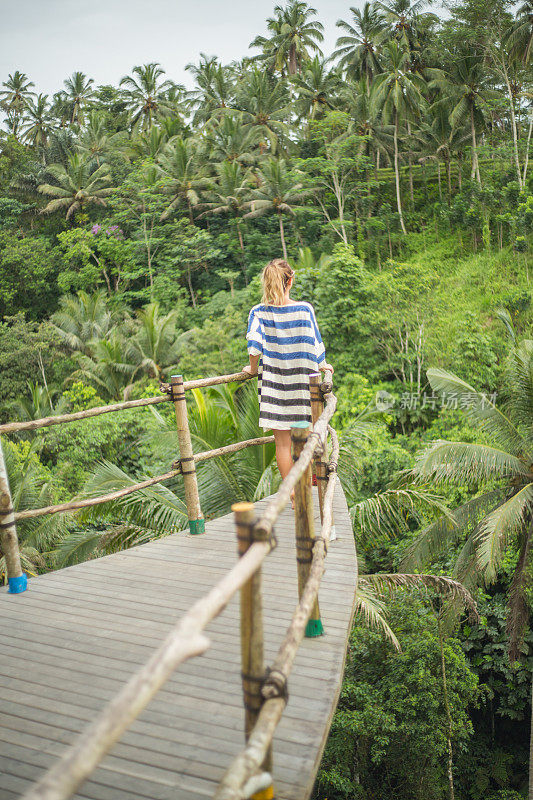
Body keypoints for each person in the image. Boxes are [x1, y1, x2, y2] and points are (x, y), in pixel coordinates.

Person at [242, 258, 333, 504]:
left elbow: (254, 349)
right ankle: (305, 491)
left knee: (282, 444)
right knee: (303, 441)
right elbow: (316, 345)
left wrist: (251, 370)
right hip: (304, 385)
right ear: (290, 280)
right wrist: (323, 364)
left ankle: (292, 491)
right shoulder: (304, 309)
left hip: (274, 386)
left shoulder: (258, 312)